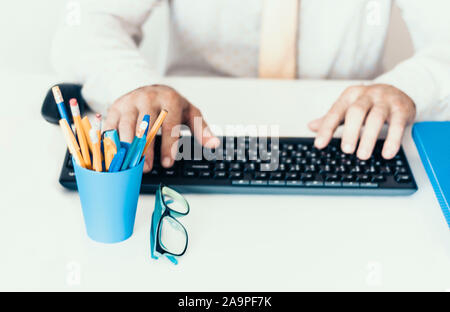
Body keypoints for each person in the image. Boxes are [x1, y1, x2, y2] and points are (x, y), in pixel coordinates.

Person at [52, 0, 450, 173]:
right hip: (189, 134)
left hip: (346, 138)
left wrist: (406, 87)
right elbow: (85, 24)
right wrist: (135, 86)